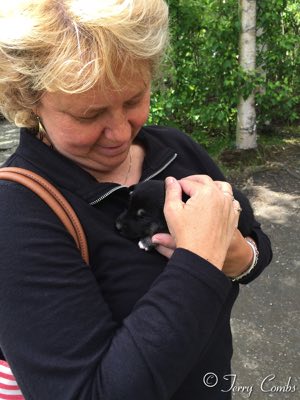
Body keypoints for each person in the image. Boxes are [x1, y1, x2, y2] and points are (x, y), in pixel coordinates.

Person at [0, 1, 272, 399]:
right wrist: (198, 259)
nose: (118, 134)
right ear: (30, 102)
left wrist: (238, 256)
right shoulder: (17, 214)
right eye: (89, 115)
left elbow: (257, 246)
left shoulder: (175, 149)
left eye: (132, 100)